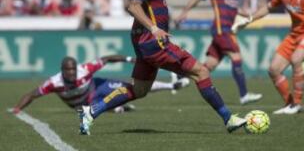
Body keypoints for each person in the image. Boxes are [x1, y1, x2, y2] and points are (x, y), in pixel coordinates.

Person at [78, 0, 247, 135]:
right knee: (201, 72)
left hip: (146, 44)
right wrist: (153, 28)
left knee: (139, 90)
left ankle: (91, 111)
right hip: (154, 43)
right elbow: (133, 6)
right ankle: (229, 118)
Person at [174, 0, 262, 105]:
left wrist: (246, 15)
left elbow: (234, 8)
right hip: (222, 31)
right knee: (236, 57)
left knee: (209, 66)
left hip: (227, 31)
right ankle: (244, 95)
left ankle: (180, 74)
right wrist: (185, 12)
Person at [12, 55, 188, 114]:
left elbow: (108, 58)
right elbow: (32, 94)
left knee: (131, 87)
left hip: (96, 85)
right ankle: (118, 108)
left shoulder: (85, 69)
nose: (72, 73)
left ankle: (172, 86)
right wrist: (17, 109)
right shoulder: (54, 83)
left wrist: (130, 59)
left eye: (73, 69)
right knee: (96, 109)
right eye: (68, 71)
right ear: (62, 71)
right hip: (82, 103)